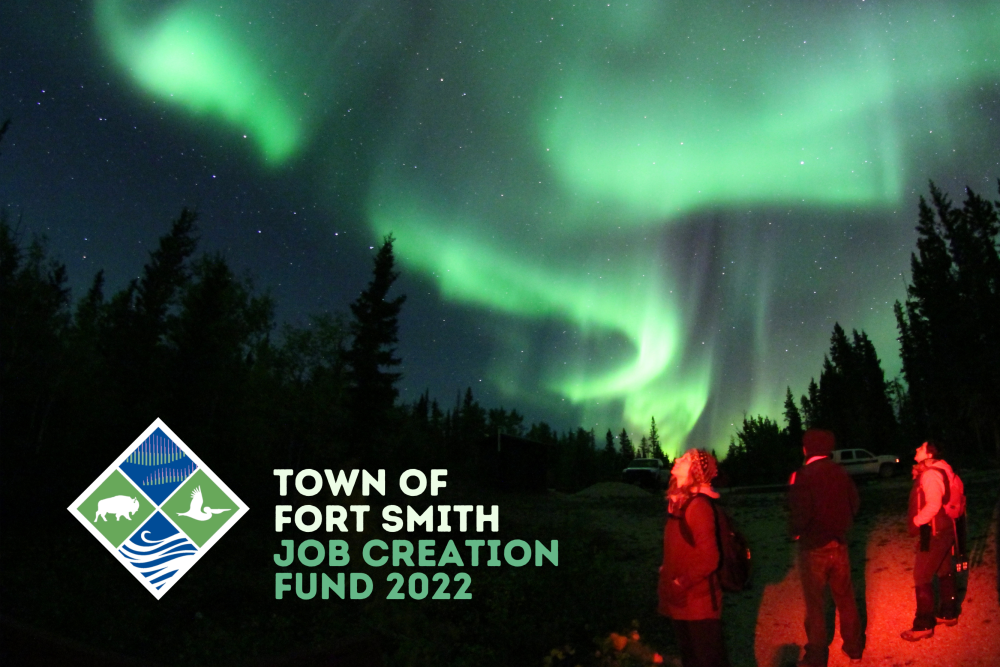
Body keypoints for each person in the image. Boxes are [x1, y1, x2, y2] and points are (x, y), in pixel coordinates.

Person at [788, 429, 864, 666]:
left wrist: (796, 532)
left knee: (816, 604)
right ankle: (854, 648)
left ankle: (817, 656)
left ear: (807, 449)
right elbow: (855, 503)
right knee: (846, 598)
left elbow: (799, 511)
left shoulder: (802, 475)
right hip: (839, 544)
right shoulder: (841, 472)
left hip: (814, 548)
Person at [657, 449, 731, 667]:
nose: (677, 459)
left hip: (699, 603)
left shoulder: (698, 506)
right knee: (691, 658)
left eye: (686, 459)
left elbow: (710, 558)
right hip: (682, 600)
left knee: (708, 660)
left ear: (695, 471)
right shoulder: (678, 503)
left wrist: (682, 582)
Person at [901, 440, 958, 641]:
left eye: (921, 447)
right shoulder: (938, 470)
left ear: (929, 454)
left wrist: (916, 521)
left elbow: (933, 504)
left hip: (934, 531)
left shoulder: (931, 474)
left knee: (921, 576)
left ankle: (923, 624)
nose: (917, 448)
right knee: (943, 570)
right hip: (940, 529)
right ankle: (948, 613)